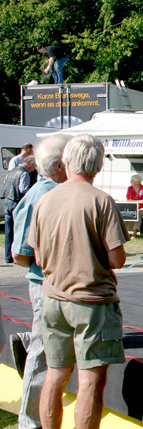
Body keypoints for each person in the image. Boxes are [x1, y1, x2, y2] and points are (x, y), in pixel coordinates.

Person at [28, 134, 129, 429]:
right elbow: (118, 259)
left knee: (55, 374)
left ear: (67, 162)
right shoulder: (102, 202)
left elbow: (36, 256)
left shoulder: (45, 199)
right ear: (97, 166)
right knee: (89, 383)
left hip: (53, 300)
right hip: (91, 304)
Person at [9, 134, 70, 429]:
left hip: (55, 285)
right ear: (60, 165)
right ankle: (29, 422)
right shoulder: (41, 195)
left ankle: (26, 340)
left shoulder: (54, 191)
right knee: (43, 353)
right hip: (44, 285)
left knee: (51, 344)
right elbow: (19, 253)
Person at [3, 155, 37, 264]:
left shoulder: (12, 171)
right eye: (34, 166)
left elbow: (5, 184)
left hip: (7, 201)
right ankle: (16, 254)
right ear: (30, 164)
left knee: (8, 231)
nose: (34, 169)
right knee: (18, 230)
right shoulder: (24, 173)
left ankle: (7, 256)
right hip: (16, 202)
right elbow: (23, 189)